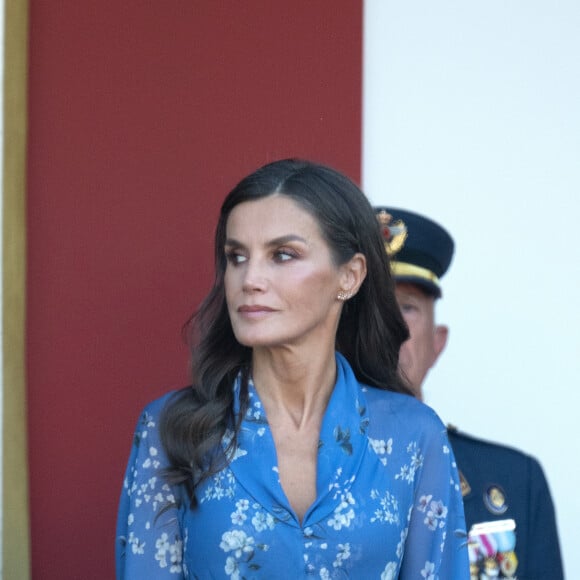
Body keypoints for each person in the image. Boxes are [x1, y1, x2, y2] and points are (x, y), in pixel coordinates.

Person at [116, 159, 470, 579]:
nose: (250, 278)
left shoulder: (414, 435)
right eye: (237, 256)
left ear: (350, 276)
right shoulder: (170, 428)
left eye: (283, 255)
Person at [375, 206, 564, 580]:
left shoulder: (515, 482)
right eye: (371, 307)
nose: (389, 326)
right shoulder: (292, 472)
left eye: (407, 307)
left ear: (436, 342)